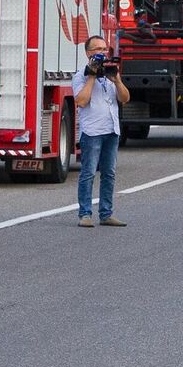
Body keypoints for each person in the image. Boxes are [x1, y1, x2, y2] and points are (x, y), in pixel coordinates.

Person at [72, 36, 130, 227]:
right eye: (97, 49)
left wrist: (118, 81)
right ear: (88, 53)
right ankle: (85, 214)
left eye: (105, 49)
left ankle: (106, 214)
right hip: (92, 132)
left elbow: (124, 99)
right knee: (88, 173)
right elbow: (81, 101)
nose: (102, 52)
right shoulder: (80, 75)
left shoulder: (111, 74)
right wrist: (92, 76)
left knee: (109, 173)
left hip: (112, 130)